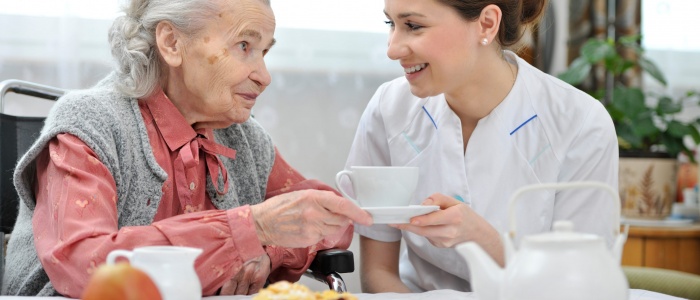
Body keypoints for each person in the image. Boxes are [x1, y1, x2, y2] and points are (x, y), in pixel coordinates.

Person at [2, 0, 372, 297]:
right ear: (172, 43)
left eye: (264, 51)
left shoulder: (243, 136)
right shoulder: (90, 123)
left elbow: (330, 216)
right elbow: (84, 264)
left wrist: (267, 246)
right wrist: (251, 229)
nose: (264, 75)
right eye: (244, 46)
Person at [342, 0, 619, 293]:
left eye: (413, 25)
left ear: (487, 23)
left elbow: (580, 286)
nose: (392, 48)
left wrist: (483, 239)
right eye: (391, 24)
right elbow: (378, 274)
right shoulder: (389, 109)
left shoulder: (580, 124)